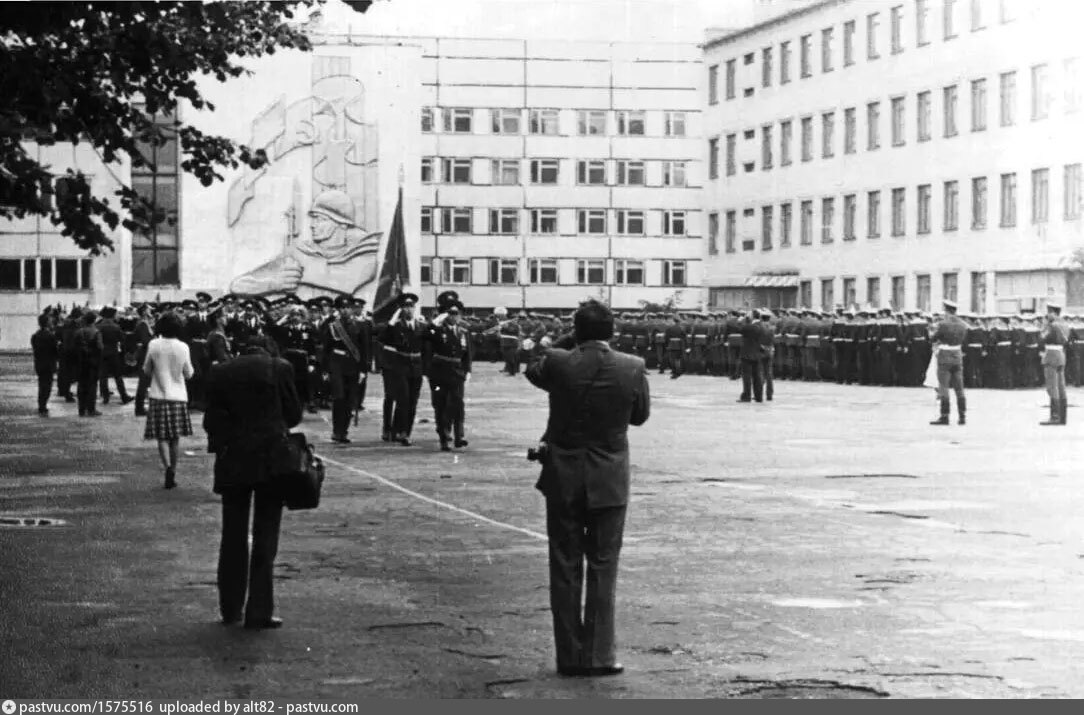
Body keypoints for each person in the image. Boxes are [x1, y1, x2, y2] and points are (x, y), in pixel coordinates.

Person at [525, 300, 651, 678]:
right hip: (609, 477)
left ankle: (569, 656)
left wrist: (571, 340)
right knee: (603, 565)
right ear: (612, 332)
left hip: (563, 474)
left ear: (576, 331)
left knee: (564, 563)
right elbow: (640, 417)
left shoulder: (559, 362)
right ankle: (598, 656)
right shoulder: (632, 366)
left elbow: (533, 370)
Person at [203, 335, 302, 630]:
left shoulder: (220, 371)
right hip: (271, 460)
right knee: (265, 536)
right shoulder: (280, 368)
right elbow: (294, 414)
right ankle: (259, 611)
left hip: (233, 460)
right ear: (270, 348)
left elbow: (211, 420)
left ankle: (230, 608)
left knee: (232, 534)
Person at [142, 311, 195, 488]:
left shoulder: (154, 344)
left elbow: (147, 369)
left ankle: (168, 468)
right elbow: (189, 373)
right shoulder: (183, 347)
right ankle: (174, 469)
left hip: (158, 395)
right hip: (178, 396)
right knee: (175, 438)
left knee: (162, 437)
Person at [423, 299, 473, 451]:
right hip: (439, 373)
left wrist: (468, 370)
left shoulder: (463, 331)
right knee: (441, 405)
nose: (454, 316)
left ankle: (459, 436)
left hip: (457, 372)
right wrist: (434, 323)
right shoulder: (437, 330)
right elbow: (424, 337)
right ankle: (444, 438)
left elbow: (468, 352)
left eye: (456, 313)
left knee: (458, 404)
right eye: (450, 313)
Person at [319, 295, 368, 443]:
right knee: (338, 398)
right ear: (338, 310)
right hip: (337, 364)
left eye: (347, 308)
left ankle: (344, 432)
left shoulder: (360, 325)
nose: (345, 310)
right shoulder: (332, 325)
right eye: (342, 308)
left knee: (349, 400)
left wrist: (363, 370)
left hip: (352, 365)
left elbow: (364, 349)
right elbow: (326, 348)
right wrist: (325, 369)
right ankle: (336, 431)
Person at [379, 293, 426, 445]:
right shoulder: (397, 326)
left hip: (416, 367)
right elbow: (384, 337)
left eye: (411, 307)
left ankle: (405, 431)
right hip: (401, 366)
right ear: (401, 310)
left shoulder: (421, 326)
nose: (409, 310)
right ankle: (399, 432)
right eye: (405, 307)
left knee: (413, 401)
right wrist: (392, 321)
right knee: (403, 399)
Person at [929, 300, 968, 426]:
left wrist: (931, 333)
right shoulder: (963, 324)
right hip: (957, 354)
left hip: (945, 355)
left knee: (944, 386)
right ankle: (962, 416)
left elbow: (933, 338)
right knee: (959, 387)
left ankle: (944, 416)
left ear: (946, 310)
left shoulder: (943, 324)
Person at [1039, 302, 1069, 425]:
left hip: (1051, 355)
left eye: (1048, 312)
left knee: (1052, 386)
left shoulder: (1051, 325)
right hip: (1061, 355)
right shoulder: (1064, 324)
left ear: (1052, 312)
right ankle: (1062, 417)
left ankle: (1055, 416)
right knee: (1061, 386)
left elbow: (1042, 337)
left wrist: (1044, 325)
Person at [96, 306, 133, 405]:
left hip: (102, 353)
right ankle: (124, 396)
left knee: (103, 376)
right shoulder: (115, 326)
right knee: (118, 376)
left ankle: (105, 397)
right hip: (113, 353)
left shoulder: (99, 326)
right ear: (112, 316)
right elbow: (122, 339)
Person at [73, 311, 104, 417]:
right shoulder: (96, 332)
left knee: (81, 385)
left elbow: (74, 346)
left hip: (81, 362)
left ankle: (81, 409)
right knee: (92, 386)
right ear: (94, 320)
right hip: (93, 363)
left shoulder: (78, 332)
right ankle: (91, 409)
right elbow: (100, 347)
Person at [30, 312, 59, 416]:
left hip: (39, 363)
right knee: (47, 386)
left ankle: (41, 405)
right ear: (47, 323)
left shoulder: (35, 336)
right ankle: (43, 405)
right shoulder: (51, 336)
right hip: (49, 364)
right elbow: (55, 351)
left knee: (41, 384)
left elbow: (35, 349)